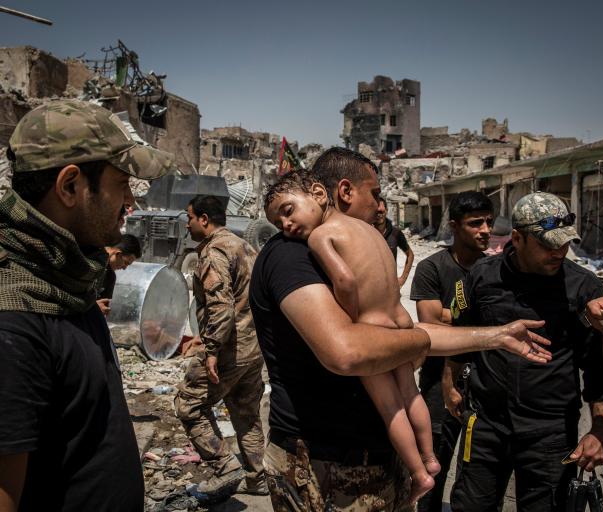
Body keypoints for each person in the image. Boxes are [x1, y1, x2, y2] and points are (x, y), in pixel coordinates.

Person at [249, 147, 551, 512]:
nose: (381, 207)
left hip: (373, 462)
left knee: (403, 400)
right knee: (405, 398)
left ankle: (424, 465)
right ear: (344, 191)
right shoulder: (292, 253)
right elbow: (348, 351)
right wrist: (412, 340)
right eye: (374, 195)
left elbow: (403, 335)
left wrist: (497, 335)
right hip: (324, 465)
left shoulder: (353, 240)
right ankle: (425, 462)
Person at [0, 99, 174, 512]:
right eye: (122, 183)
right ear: (70, 186)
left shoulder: (63, 282)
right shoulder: (15, 320)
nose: (131, 201)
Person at [264, 170, 439, 503]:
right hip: (398, 318)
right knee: (411, 394)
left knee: (391, 408)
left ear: (318, 192)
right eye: (277, 223)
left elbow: (344, 281)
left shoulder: (320, 237)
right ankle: (429, 457)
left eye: (287, 211)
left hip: (372, 324)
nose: (285, 226)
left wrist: (348, 317)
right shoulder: (368, 229)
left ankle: (419, 472)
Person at [446, 192, 603, 512]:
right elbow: (459, 336)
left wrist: (601, 430)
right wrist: (449, 383)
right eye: (548, 245)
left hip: (549, 434)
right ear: (517, 238)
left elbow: (597, 370)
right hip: (485, 426)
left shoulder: (584, 288)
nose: (559, 252)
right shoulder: (481, 276)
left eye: (564, 243)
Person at [174, 194, 267, 499]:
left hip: (228, 349)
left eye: (189, 218)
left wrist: (211, 350)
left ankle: (224, 467)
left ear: (204, 219)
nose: (187, 224)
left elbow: (221, 307)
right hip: (252, 349)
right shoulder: (244, 246)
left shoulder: (214, 252)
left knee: (188, 404)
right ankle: (257, 479)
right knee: (247, 414)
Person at [410, 191, 493, 512]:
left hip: (485, 386)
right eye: (476, 223)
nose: (485, 229)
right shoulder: (433, 268)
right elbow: (430, 325)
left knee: (477, 477)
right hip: (437, 386)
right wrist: (479, 324)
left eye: (488, 221)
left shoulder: (496, 270)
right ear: (455, 226)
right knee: (433, 467)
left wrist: (452, 317)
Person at [96, 233, 142, 317]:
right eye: (126, 263)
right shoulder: (89, 260)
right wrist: (94, 308)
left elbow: (104, 307)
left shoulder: (110, 277)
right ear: (118, 254)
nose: (124, 268)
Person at [375, 196, 414, 287]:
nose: (379, 215)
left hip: (391, 286)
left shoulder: (395, 233)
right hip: (371, 286)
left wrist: (403, 279)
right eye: (376, 212)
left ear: (386, 211)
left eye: (381, 212)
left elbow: (410, 255)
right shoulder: (366, 231)